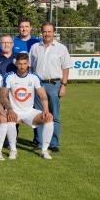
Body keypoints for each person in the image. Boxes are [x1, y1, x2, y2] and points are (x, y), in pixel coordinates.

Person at [0, 53, 55, 160]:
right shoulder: (9, 76)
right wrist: (10, 109)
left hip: (29, 112)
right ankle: (13, 150)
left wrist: (46, 110)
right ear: (16, 63)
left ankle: (44, 151)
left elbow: (43, 95)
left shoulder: (34, 77)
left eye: (24, 64)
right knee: (10, 120)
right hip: (15, 111)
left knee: (49, 118)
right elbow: (3, 96)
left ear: (28, 64)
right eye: (20, 64)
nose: (22, 66)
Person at [29, 22, 72, 152]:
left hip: (54, 84)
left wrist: (63, 85)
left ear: (54, 32)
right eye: (45, 31)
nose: (47, 34)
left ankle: (54, 143)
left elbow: (65, 68)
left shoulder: (61, 48)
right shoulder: (35, 47)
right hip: (38, 85)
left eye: (49, 31)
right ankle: (41, 143)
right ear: (41, 32)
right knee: (39, 115)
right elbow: (30, 67)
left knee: (54, 115)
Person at [0, 34, 17, 150]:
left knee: (13, 117)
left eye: (8, 43)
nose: (6, 45)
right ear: (0, 44)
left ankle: (12, 141)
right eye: (3, 43)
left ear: (12, 44)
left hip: (13, 93)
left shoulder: (18, 59)